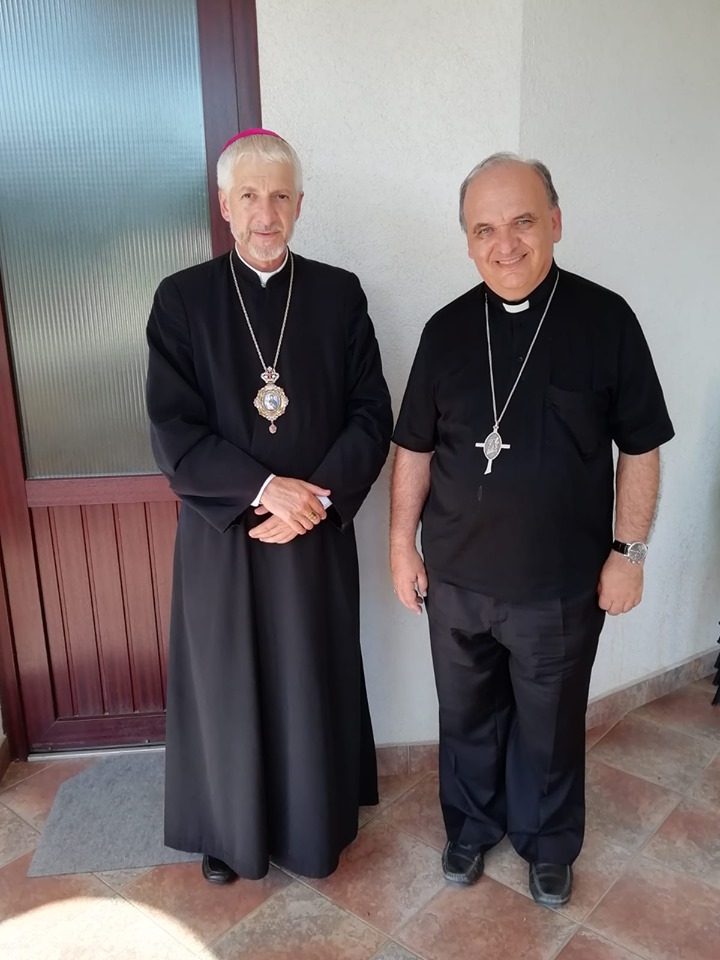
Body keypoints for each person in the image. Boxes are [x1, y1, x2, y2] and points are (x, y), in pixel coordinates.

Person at [390, 153, 673, 907]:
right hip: (455, 579)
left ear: (555, 221)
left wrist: (629, 553)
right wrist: (400, 546)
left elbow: (641, 446)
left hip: (559, 585)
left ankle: (548, 843)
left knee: (549, 727)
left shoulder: (606, 320)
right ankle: (470, 827)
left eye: (522, 222)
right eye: (484, 229)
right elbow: (413, 448)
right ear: (467, 240)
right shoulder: (446, 330)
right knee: (465, 719)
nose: (505, 244)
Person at [146, 128, 392, 883]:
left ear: (300, 204)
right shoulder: (182, 299)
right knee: (229, 684)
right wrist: (263, 490)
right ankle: (230, 835)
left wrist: (311, 499)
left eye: (280, 195)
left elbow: (371, 414)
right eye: (249, 195)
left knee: (308, 677)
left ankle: (314, 830)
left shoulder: (339, 295)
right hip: (224, 537)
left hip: (314, 532)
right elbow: (172, 427)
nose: (265, 213)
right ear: (224, 205)